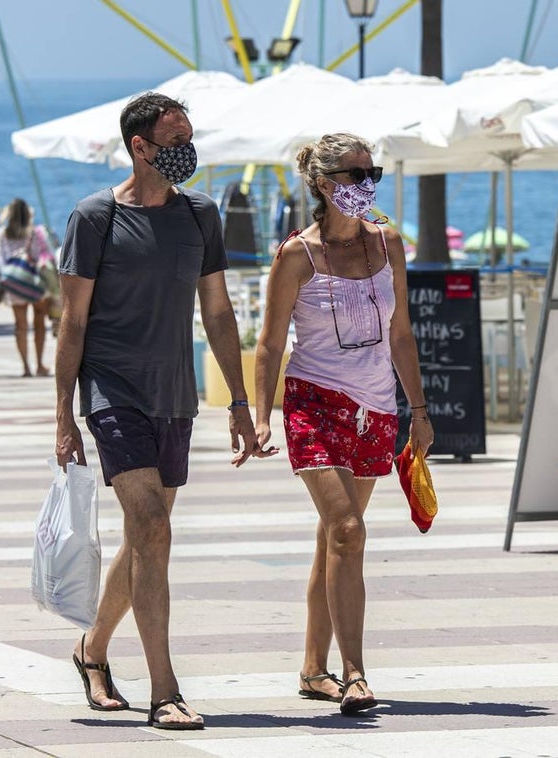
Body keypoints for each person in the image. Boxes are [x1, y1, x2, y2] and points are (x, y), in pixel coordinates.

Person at [55, 92, 259, 730]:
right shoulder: (95, 218)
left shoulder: (201, 215)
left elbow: (218, 312)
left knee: (146, 536)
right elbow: (72, 321)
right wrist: (64, 414)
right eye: (175, 141)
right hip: (112, 389)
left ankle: (91, 651)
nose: (187, 151)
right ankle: (164, 689)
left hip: (175, 394)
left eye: (190, 138)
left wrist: (242, 401)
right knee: (152, 527)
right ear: (140, 147)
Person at [253, 133, 433, 715]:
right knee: (349, 530)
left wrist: (420, 412)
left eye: (372, 172)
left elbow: (401, 333)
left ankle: (312, 670)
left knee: (335, 537)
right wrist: (260, 415)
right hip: (314, 402)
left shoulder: (389, 243)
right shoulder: (296, 255)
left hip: (376, 405)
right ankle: (355, 673)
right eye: (356, 175)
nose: (367, 184)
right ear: (326, 185)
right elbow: (270, 342)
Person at [0, 198, 54, 377]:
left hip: (15, 284)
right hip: (34, 283)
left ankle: (25, 367)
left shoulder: (2, 233)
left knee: (20, 327)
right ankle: (39, 365)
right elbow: (41, 257)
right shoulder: (35, 232)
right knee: (39, 325)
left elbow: (1, 260)